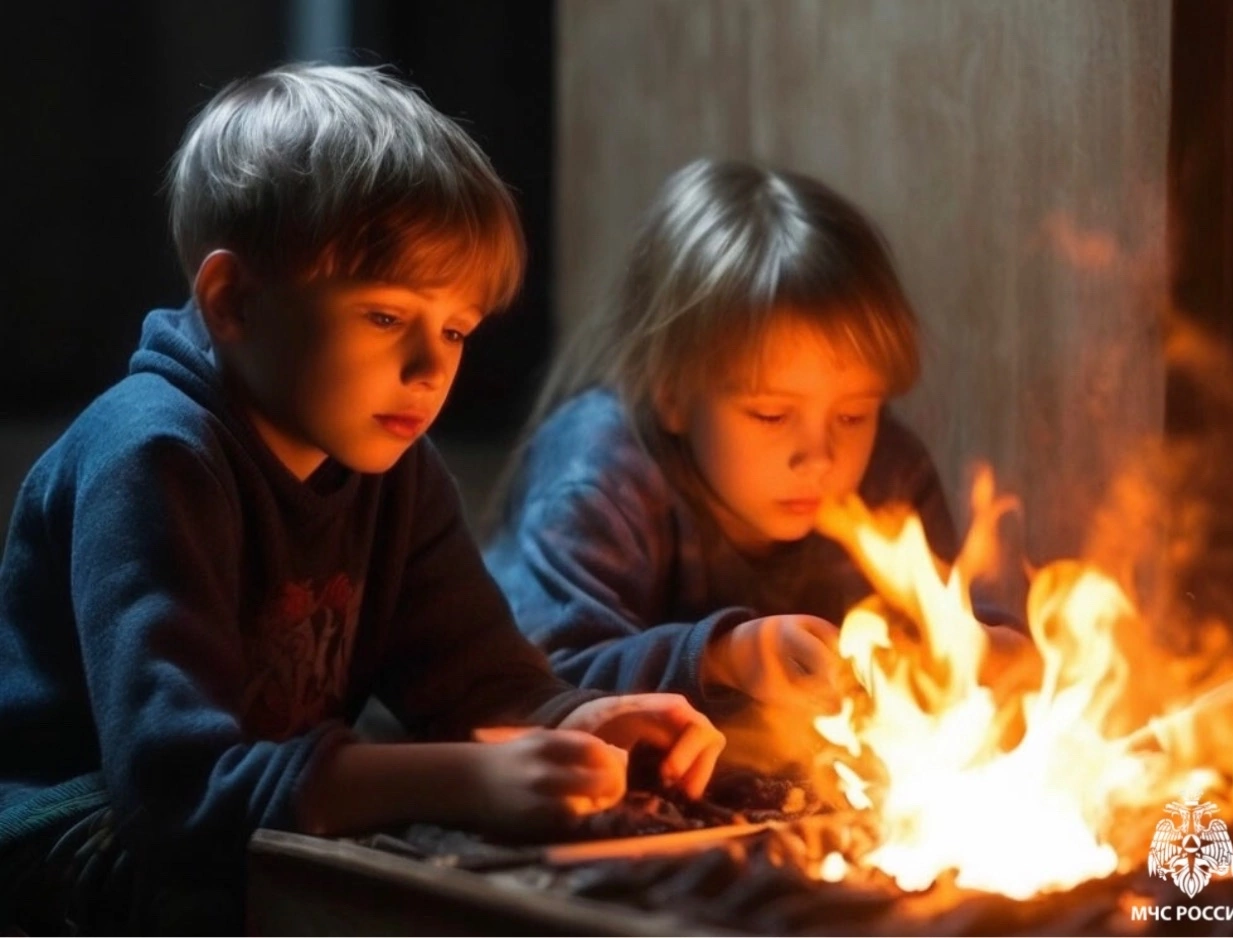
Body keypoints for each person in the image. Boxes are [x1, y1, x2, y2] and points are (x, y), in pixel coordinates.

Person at [0, 63, 724, 935]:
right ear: (233, 301)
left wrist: (580, 721)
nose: (430, 371)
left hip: (250, 807)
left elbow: (477, 676)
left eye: (454, 330)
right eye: (385, 318)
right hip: (77, 824)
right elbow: (176, 793)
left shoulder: (396, 469)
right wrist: (465, 777)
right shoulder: (153, 457)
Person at [483, 158, 1034, 726]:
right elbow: (538, 676)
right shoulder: (603, 475)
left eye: (854, 414)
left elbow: (950, 613)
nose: (819, 456)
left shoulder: (888, 475)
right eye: (771, 414)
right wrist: (724, 656)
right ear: (671, 392)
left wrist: (989, 649)